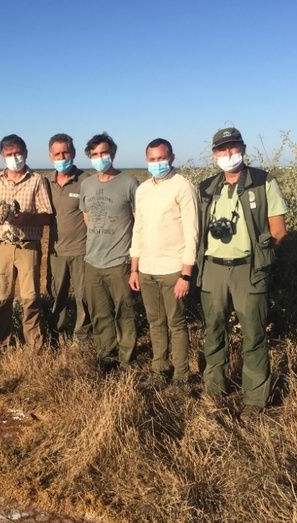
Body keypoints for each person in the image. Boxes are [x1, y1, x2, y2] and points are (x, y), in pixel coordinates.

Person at [196, 127, 288, 419]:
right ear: (214, 155)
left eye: (234, 148)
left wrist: (262, 256)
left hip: (248, 270)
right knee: (213, 331)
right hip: (212, 267)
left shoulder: (263, 182)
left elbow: (279, 230)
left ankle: (255, 399)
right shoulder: (207, 187)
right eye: (222, 150)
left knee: (254, 334)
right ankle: (214, 388)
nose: (228, 154)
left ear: (243, 149)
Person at [129, 138, 199, 384]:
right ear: (147, 160)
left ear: (172, 157)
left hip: (173, 270)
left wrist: (186, 274)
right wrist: (134, 268)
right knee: (155, 322)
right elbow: (138, 229)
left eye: (162, 158)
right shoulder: (143, 189)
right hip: (147, 269)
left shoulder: (183, 187)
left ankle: (181, 376)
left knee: (176, 324)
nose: (157, 163)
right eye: (152, 159)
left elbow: (192, 233)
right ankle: (160, 370)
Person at [0, 134, 54, 351]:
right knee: (2, 297)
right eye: (9, 154)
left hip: (28, 246)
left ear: (26, 152)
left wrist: (26, 218)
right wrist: (0, 216)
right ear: (2, 156)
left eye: (17, 153)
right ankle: (1, 345)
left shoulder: (37, 180)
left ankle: (34, 346)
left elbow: (47, 216)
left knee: (30, 298)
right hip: (3, 247)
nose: (14, 158)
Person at [79, 133, 139, 369]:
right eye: (94, 155)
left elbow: (138, 221)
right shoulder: (87, 184)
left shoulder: (129, 182)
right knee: (100, 312)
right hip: (93, 260)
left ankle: (127, 359)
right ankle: (107, 355)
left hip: (119, 260)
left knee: (124, 312)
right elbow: (87, 218)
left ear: (112, 153)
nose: (99, 158)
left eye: (103, 153)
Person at [45, 133, 91, 342]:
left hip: (82, 250)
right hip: (56, 252)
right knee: (57, 295)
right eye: (57, 153)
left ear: (73, 153)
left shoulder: (86, 181)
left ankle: (82, 337)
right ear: (50, 156)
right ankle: (59, 334)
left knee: (84, 297)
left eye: (65, 152)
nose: (62, 157)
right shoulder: (45, 182)